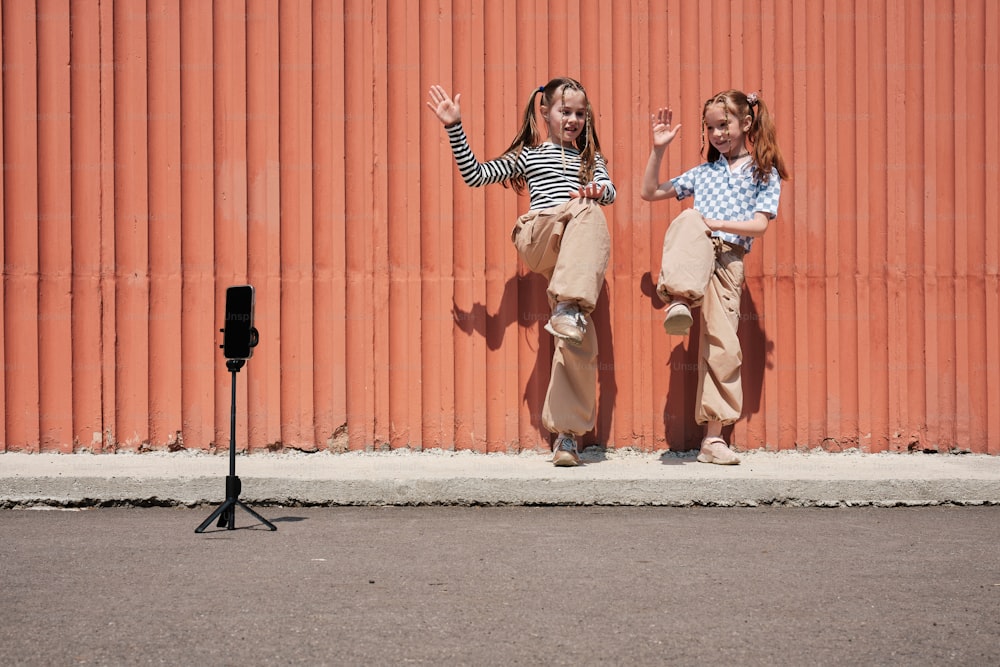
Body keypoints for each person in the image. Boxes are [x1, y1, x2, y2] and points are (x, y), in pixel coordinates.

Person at [427, 78, 616, 467]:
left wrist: (596, 189)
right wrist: (454, 127)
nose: (574, 120)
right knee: (583, 210)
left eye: (581, 113)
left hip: (571, 255)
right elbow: (475, 175)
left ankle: (566, 436)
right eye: (566, 112)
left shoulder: (590, 158)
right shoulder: (530, 155)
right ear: (545, 113)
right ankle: (571, 304)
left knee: (578, 338)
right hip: (539, 234)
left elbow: (611, 190)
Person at [640, 89, 788, 465]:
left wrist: (718, 224)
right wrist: (658, 149)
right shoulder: (702, 173)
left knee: (723, 347)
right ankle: (679, 298)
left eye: (724, 125)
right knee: (688, 218)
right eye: (710, 128)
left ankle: (712, 440)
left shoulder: (763, 172)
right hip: (697, 252)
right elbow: (650, 192)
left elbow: (759, 226)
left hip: (729, 260)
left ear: (746, 123)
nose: (717, 134)